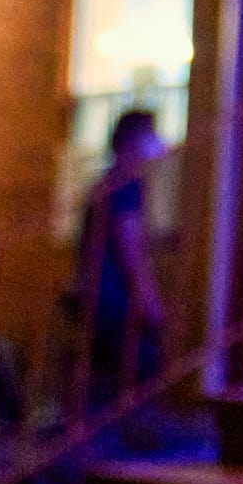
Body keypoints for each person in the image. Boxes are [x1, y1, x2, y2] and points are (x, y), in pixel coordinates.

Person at [69, 108, 168, 409]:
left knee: (103, 378)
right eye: (151, 135)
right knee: (138, 371)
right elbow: (130, 249)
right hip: (115, 302)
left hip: (95, 296)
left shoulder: (106, 182)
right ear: (134, 140)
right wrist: (150, 303)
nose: (158, 143)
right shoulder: (125, 185)